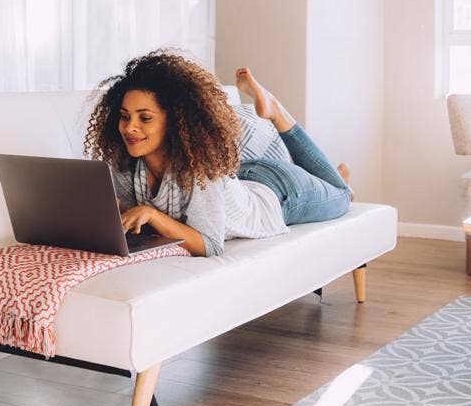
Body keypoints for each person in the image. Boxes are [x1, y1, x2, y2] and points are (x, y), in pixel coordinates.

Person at [84, 50, 353, 257]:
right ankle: (331, 177)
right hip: (242, 175)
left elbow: (211, 245)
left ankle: (278, 113)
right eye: (124, 116)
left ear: (175, 121)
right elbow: (133, 219)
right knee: (334, 185)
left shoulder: (200, 168)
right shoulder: (125, 163)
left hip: (280, 195)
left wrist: (153, 215)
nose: (130, 128)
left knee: (342, 196)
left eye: (145, 118)